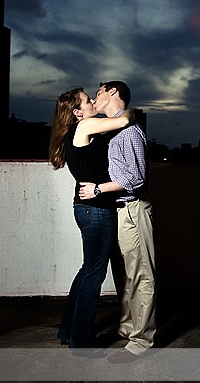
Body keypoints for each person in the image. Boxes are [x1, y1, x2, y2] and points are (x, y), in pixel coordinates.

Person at [49, 87, 134, 355]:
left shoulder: (85, 130)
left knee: (88, 270)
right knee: (94, 274)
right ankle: (81, 343)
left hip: (89, 208)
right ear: (77, 112)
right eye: (87, 101)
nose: (92, 103)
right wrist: (131, 110)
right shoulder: (85, 126)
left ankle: (68, 331)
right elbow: (125, 119)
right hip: (95, 210)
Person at [79, 80, 155, 364]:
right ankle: (128, 326)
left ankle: (141, 341)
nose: (95, 98)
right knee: (126, 274)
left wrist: (98, 189)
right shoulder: (114, 129)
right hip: (120, 211)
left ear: (112, 93)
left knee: (142, 274)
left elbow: (135, 179)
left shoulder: (129, 132)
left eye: (98, 93)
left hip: (134, 209)